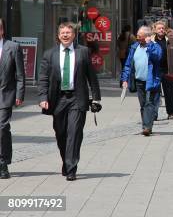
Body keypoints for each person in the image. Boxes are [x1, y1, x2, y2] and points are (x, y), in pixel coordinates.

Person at [38, 22, 101, 181]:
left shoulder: (83, 52)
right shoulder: (49, 54)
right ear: (58, 36)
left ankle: (71, 167)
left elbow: (91, 77)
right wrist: (43, 97)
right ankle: (66, 161)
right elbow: (43, 78)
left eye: (68, 32)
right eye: (62, 33)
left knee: (74, 133)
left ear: (73, 35)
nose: (65, 35)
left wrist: (96, 98)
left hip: (77, 98)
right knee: (61, 134)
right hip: (57, 99)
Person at [120, 26, 162, 136]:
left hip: (151, 80)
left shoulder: (155, 46)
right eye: (137, 36)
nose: (137, 38)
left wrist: (150, 45)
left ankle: (147, 127)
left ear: (147, 37)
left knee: (149, 103)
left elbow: (157, 57)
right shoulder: (134, 47)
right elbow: (128, 65)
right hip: (139, 81)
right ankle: (146, 125)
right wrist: (125, 79)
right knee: (143, 104)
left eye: (140, 36)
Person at [0, 18, 25, 179]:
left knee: (1, 127)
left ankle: (3, 163)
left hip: (5, 94)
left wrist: (19, 94)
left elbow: (20, 75)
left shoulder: (13, 47)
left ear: (2, 30)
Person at [153, 21, 173, 120]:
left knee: (169, 92)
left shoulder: (170, 41)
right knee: (155, 92)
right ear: (155, 30)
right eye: (159, 28)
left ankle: (171, 112)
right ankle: (154, 114)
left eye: (163, 28)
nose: (161, 30)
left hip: (168, 69)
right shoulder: (151, 41)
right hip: (155, 70)